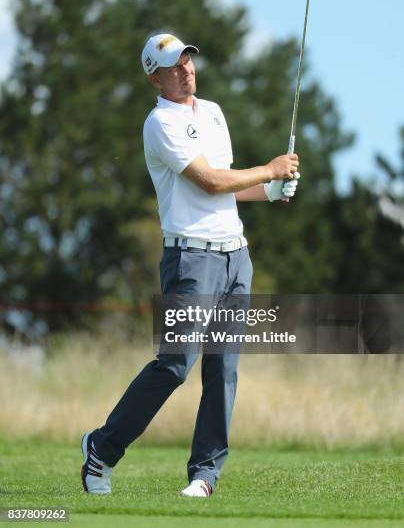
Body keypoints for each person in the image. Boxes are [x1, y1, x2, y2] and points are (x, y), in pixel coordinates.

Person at [81, 33, 300, 497]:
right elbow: (209, 180)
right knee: (176, 365)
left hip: (235, 256)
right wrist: (271, 169)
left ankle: (205, 475)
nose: (185, 69)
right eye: (173, 65)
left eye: (187, 60)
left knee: (224, 369)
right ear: (154, 77)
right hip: (191, 260)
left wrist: (269, 190)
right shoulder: (160, 123)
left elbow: (227, 186)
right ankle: (101, 448)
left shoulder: (214, 112)